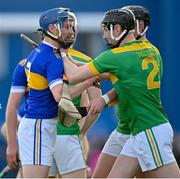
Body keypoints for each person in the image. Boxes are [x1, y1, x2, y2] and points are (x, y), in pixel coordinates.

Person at [61, 8, 180, 178]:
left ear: (117, 29)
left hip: (148, 130)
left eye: (106, 30)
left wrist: (60, 51)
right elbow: (127, 84)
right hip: (140, 130)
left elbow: (73, 76)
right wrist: (104, 98)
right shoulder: (152, 51)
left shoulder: (114, 57)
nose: (104, 36)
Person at [6, 7, 98, 178]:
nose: (71, 31)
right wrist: (88, 82)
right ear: (52, 29)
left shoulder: (44, 53)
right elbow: (61, 96)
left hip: (44, 126)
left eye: (72, 26)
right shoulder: (52, 58)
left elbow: (69, 70)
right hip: (39, 126)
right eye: (66, 26)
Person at [49, 48, 101, 178]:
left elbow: (94, 105)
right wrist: (81, 130)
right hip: (66, 135)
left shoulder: (35, 59)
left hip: (48, 134)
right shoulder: (87, 61)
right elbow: (95, 106)